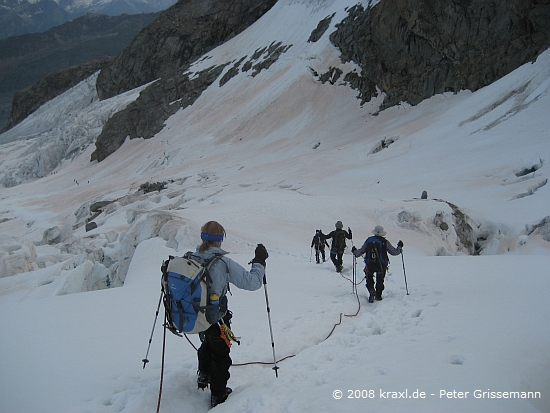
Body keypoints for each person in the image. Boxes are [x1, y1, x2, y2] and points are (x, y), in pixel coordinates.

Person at [189, 221, 268, 408]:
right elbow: (253, 282)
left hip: (196, 315)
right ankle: (218, 394)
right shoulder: (222, 263)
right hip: (216, 316)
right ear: (219, 240)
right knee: (221, 353)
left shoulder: (191, 258)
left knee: (207, 342)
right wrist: (259, 261)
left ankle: (203, 375)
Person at [352, 225, 403, 303]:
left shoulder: (368, 240)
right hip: (381, 265)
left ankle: (371, 291)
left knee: (369, 279)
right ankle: (378, 296)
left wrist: (355, 251)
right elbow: (394, 252)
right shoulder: (385, 242)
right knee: (380, 280)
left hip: (369, 264)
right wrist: (399, 246)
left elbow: (359, 252)